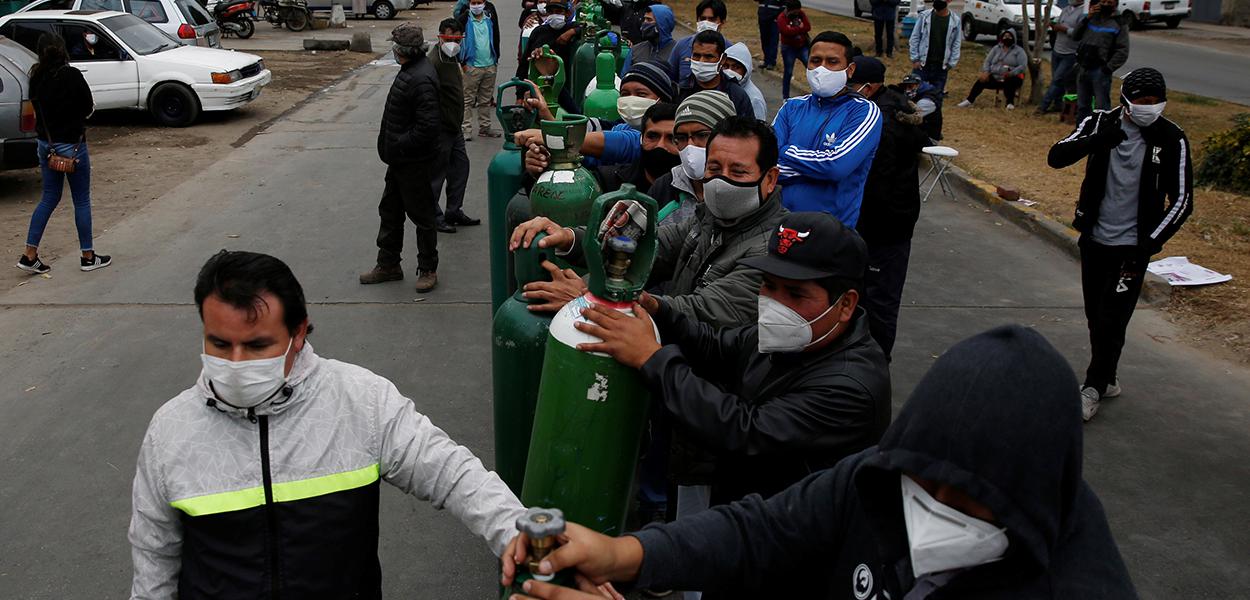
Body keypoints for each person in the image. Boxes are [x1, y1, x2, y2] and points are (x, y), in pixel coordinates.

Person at [501, 325, 1139, 600]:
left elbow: (747, 432)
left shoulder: (1075, 589)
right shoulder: (879, 478)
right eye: (927, 481)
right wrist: (627, 555)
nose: (933, 511)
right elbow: (763, 527)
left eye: (968, 501)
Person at [129, 251, 525, 598]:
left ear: (298, 333)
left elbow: (453, 475)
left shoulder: (360, 402)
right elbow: (154, 558)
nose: (235, 363)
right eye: (218, 344)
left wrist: (519, 533)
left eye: (256, 346)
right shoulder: (171, 430)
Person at [510, 115, 782, 329]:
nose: (721, 182)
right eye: (713, 169)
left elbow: (703, 312)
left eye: (738, 171)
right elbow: (644, 245)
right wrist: (571, 238)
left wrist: (592, 299)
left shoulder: (772, 250)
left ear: (770, 179)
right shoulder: (710, 219)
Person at [1047, 67, 1191, 422]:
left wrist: (1150, 243)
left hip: (1133, 248)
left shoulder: (1172, 138)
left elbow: (1183, 199)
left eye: (1157, 102)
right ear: (1126, 101)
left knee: (1113, 318)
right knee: (1096, 316)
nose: (1150, 108)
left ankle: (1092, 386)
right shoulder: (1099, 123)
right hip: (1096, 239)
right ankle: (1108, 377)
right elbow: (1057, 156)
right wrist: (1098, 141)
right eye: (1142, 102)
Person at [851, 57, 929, 362]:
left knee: (877, 303)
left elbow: (875, 183)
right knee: (879, 300)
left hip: (881, 227)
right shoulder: (895, 108)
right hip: (895, 224)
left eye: (850, 85)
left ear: (867, 88)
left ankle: (873, 367)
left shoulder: (879, 122)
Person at [17, 33, 110, 276]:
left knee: (48, 197)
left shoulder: (35, 77)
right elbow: (88, 107)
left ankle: (29, 254)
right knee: (81, 199)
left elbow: (36, 108)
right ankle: (88, 256)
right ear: (63, 50)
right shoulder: (72, 75)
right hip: (73, 146)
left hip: (46, 145)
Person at [360, 24, 443, 293]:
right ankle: (388, 264)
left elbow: (428, 126)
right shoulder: (411, 71)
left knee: (422, 216)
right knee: (391, 212)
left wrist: (400, 143)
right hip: (400, 161)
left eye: (396, 46)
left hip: (414, 162)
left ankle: (428, 268)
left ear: (404, 50)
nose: (393, 51)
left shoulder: (421, 78)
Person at [772, 31, 882, 228]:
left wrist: (785, 150)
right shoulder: (791, 107)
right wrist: (817, 168)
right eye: (815, 60)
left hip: (829, 234)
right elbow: (766, 165)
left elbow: (835, 166)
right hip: (779, 225)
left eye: (832, 62)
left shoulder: (863, 111)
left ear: (850, 70)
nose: (821, 69)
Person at [518, 61, 677, 170]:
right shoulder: (618, 127)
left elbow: (626, 143)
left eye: (641, 94)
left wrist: (551, 136)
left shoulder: (674, 133)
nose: (631, 100)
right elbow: (584, 153)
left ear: (662, 100)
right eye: (625, 94)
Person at [648, 90, 737, 218]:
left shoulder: (744, 189)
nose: (690, 146)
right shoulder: (665, 186)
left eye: (702, 135)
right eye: (681, 137)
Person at [428, 19, 476, 235]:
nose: (453, 41)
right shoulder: (434, 61)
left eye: (457, 38)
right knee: (436, 174)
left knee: (460, 167)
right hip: (441, 128)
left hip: (454, 127)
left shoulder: (451, 56)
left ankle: (453, 210)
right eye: (449, 37)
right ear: (440, 36)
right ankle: (433, 216)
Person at [593, 102, 681, 194]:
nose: (660, 145)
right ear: (642, 139)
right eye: (652, 137)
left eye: (672, 139)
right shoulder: (607, 181)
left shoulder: (694, 192)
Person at [1073, 0, 1130, 122]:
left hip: (1100, 71)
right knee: (1083, 106)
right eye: (1103, 1)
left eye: (1109, 2)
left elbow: (1122, 51)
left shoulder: (1119, 23)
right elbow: (1075, 35)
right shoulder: (1091, 18)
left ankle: (1101, 133)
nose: (1105, 5)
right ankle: (1081, 132)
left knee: (1102, 107)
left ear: (1115, 5)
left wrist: (1108, 68)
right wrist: (1087, 17)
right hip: (1084, 67)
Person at [678, 31, 755, 119]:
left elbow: (746, 130)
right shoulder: (681, 89)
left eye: (709, 57)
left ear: (722, 60)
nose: (701, 61)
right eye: (697, 55)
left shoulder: (736, 95)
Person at [457, 0, 502, 140]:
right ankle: (466, 130)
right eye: (474, 2)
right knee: (467, 100)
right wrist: (463, 62)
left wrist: (495, 59)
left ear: (484, 3)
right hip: (472, 66)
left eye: (479, 2)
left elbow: (496, 36)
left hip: (489, 65)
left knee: (485, 99)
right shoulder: (464, 19)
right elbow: (457, 40)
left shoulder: (489, 18)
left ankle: (485, 128)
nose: (476, 5)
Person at [956, 28, 1026, 110]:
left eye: (1009, 36)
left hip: (1012, 77)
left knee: (1010, 81)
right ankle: (969, 100)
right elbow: (987, 61)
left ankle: (1010, 103)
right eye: (1005, 36)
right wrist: (986, 72)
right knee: (981, 81)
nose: (1007, 38)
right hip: (995, 76)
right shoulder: (996, 48)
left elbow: (1023, 65)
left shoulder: (1019, 51)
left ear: (1014, 38)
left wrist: (1012, 73)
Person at [1038, 0, 1085, 114]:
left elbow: (1079, 33)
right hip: (1057, 50)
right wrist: (1053, 25)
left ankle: (1043, 106)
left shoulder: (1084, 13)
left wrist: (1064, 29)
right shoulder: (1065, 9)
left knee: (1057, 80)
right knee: (1058, 81)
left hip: (1070, 53)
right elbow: (1058, 24)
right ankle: (1058, 104)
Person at [667, 0, 729, 83]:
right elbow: (670, 78)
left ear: (722, 22)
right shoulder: (682, 45)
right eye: (702, 19)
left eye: (712, 19)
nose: (706, 23)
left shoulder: (730, 49)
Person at [907, 0, 961, 95]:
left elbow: (956, 43)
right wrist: (915, 59)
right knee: (914, 94)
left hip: (941, 66)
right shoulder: (924, 16)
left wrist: (951, 63)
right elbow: (915, 37)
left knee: (936, 97)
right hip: (922, 65)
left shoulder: (955, 20)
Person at [622, 4, 677, 72]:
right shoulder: (635, 51)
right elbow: (624, 78)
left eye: (649, 20)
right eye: (644, 19)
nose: (644, 23)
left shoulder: (677, 52)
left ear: (662, 24)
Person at [722, 42, 767, 120]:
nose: (729, 71)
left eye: (736, 67)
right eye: (726, 66)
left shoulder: (754, 99)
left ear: (746, 70)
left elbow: (758, 128)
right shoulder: (723, 87)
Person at [775, 0, 810, 99]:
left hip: (802, 46)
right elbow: (786, 32)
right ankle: (785, 97)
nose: (797, 13)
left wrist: (794, 30)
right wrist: (800, 28)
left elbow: (807, 26)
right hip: (789, 48)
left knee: (811, 68)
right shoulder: (782, 17)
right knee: (788, 71)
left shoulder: (801, 14)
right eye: (795, 11)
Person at [898, 72, 943, 141]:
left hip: (929, 139)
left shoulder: (927, 101)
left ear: (918, 85)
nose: (907, 90)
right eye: (905, 87)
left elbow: (911, 118)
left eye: (910, 86)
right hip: (918, 133)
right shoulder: (917, 95)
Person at [756, 0, 785, 71]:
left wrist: (777, 17)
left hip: (774, 20)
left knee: (773, 41)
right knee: (764, 40)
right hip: (763, 17)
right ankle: (766, 60)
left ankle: (771, 62)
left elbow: (784, 6)